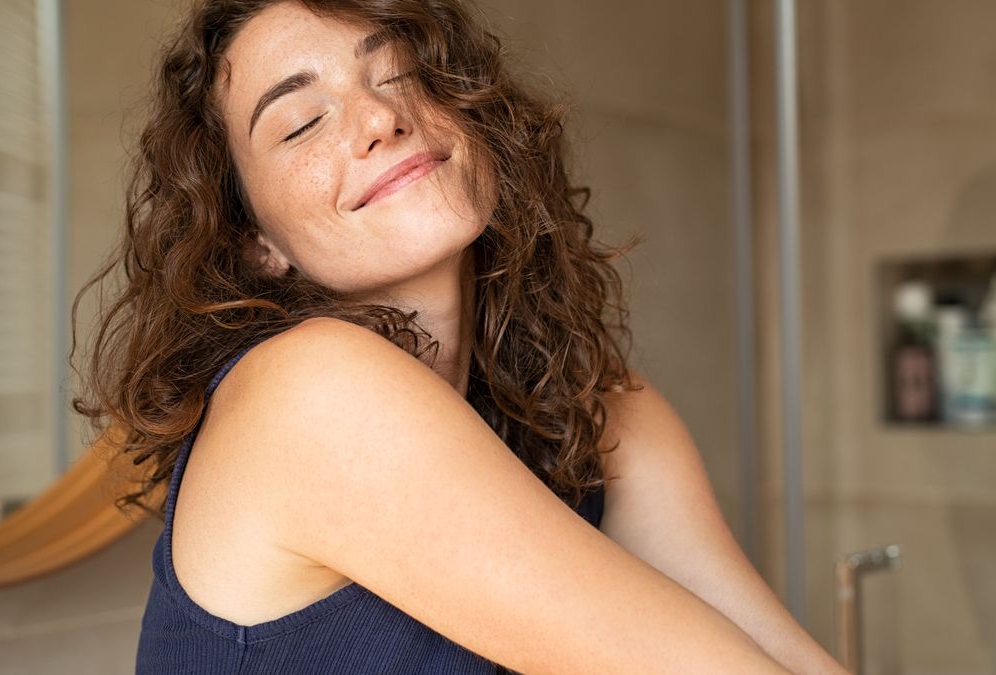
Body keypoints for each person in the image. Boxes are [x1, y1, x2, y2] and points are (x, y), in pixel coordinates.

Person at [71, 0, 847, 672]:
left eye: (401, 73)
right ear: (255, 241)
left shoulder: (605, 408)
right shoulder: (308, 393)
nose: (380, 118)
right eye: (301, 122)